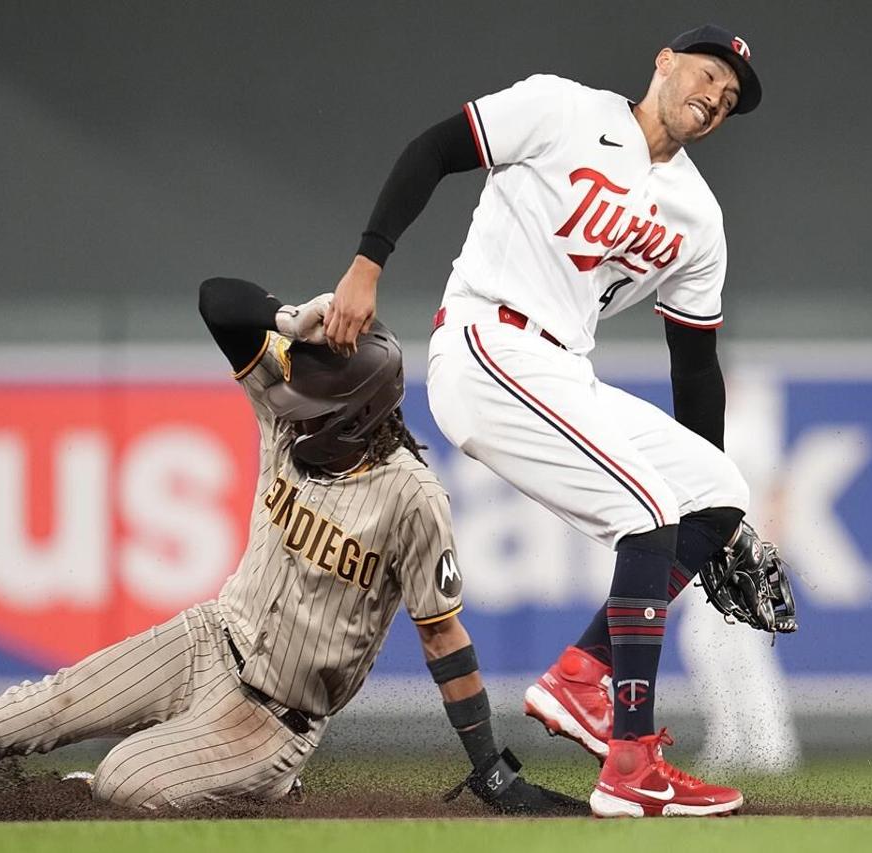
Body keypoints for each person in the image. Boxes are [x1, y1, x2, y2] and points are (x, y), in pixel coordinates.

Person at [0, 277, 582, 822]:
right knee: (33, 706)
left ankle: (252, 790)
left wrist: (487, 762)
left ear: (356, 413)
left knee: (127, 781)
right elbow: (219, 300)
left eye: (312, 402)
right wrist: (293, 316)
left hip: (273, 718)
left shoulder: (412, 497)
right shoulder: (285, 406)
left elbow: (444, 634)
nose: (290, 408)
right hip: (206, 637)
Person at [324, 25, 772, 817]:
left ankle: (581, 678)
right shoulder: (560, 108)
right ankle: (629, 763)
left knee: (716, 490)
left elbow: (694, 365)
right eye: (707, 74)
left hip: (564, 367)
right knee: (647, 511)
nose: (713, 97)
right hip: (487, 342)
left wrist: (709, 517)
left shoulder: (698, 215)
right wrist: (368, 262)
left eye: (730, 99)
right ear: (663, 63)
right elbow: (434, 149)